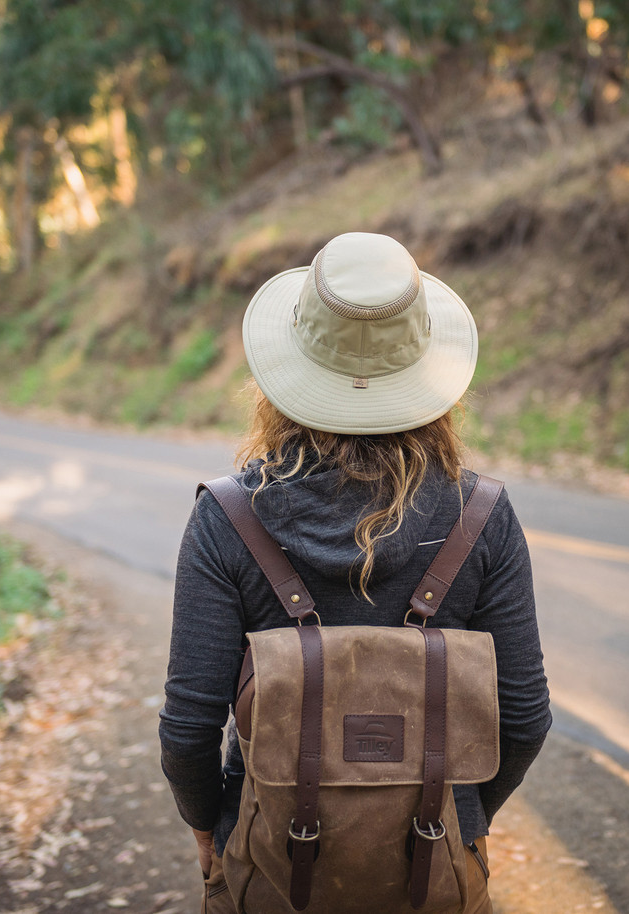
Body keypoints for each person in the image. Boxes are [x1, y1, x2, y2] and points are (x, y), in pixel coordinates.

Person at [159, 231, 552, 913]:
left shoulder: (226, 517)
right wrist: (466, 818)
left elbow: (188, 730)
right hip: (436, 863)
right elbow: (525, 717)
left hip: (269, 857)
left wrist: (211, 829)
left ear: (287, 370)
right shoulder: (482, 515)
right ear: (427, 370)